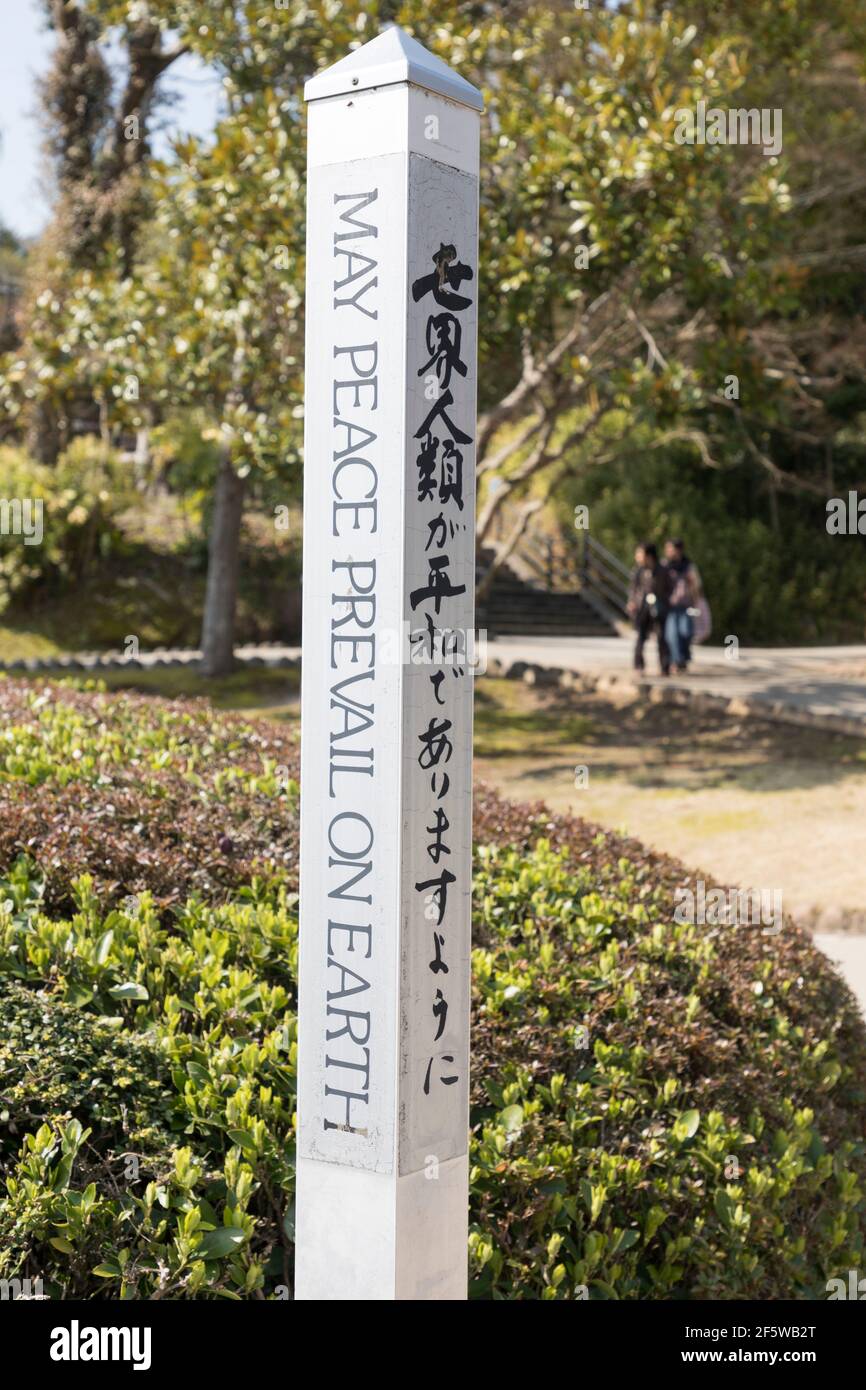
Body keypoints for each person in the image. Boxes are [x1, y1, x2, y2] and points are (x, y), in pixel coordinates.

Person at [627, 541, 671, 674]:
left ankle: (665, 667)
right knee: (640, 636)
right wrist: (632, 602)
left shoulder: (662, 570)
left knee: (662, 637)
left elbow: (669, 589)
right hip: (642, 607)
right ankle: (638, 665)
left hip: (660, 606)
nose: (637, 557)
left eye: (640, 553)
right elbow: (633, 589)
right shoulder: (638, 571)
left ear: (649, 555)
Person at [663, 538, 701, 673]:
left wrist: (696, 601)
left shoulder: (688, 566)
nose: (668, 552)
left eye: (670, 549)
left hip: (686, 605)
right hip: (670, 606)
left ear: (678, 550)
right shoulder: (665, 566)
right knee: (672, 635)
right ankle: (676, 661)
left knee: (686, 632)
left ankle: (684, 658)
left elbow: (696, 585)